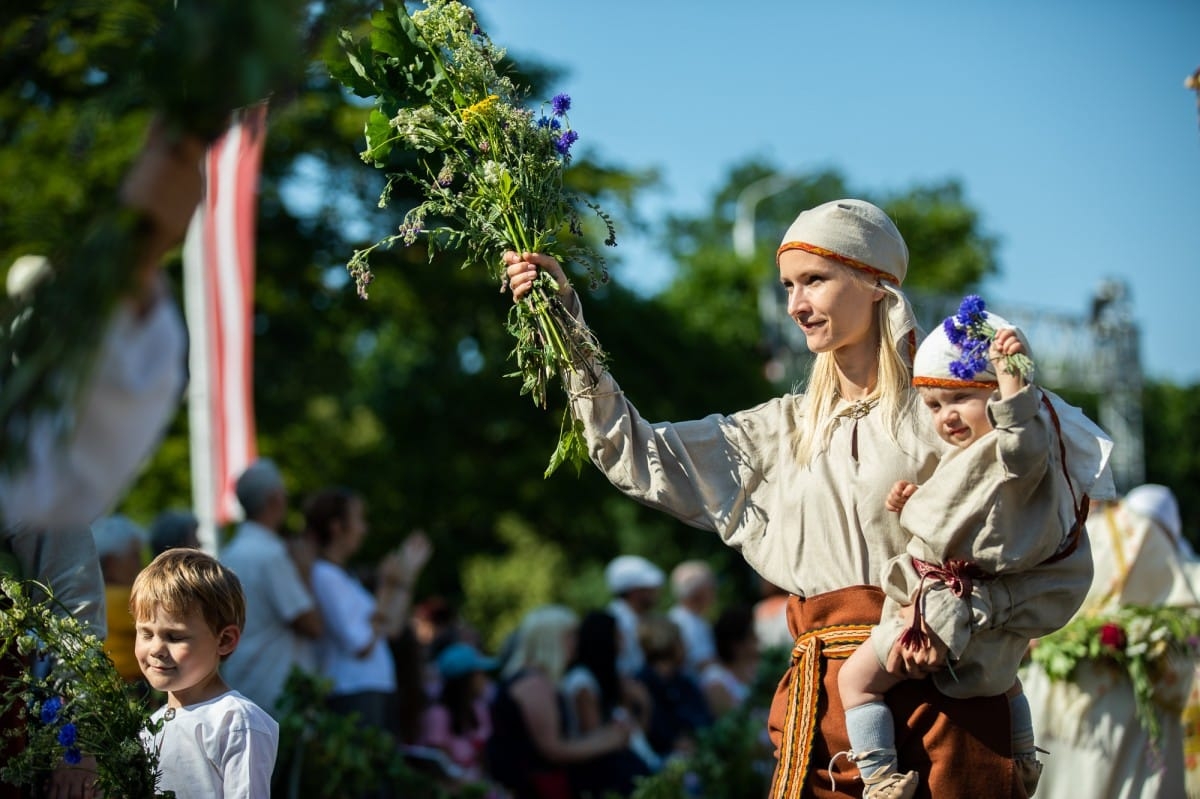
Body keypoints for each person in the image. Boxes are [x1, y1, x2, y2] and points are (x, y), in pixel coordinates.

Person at [503, 198, 1113, 797]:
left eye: (814, 280)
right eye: (789, 286)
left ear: (876, 284)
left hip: (944, 693)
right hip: (826, 709)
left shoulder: (949, 410)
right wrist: (566, 331)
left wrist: (967, 610)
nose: (796, 304)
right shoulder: (780, 429)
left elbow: (1034, 515)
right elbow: (636, 453)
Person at [836, 309, 1106, 797]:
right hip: (983, 609)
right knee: (1007, 682)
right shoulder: (976, 457)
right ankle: (1024, 758)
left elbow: (1019, 445)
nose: (946, 416)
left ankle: (878, 780)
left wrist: (1013, 384)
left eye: (961, 397)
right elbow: (966, 519)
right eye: (934, 404)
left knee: (856, 682)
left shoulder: (1017, 450)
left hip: (946, 606)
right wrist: (912, 502)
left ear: (998, 398)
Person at [1022, 484, 1199, 799]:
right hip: (1078, 708)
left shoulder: (1129, 532)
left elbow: (1179, 626)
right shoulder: (1037, 527)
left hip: (1096, 707)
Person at [131, 547, 279, 797]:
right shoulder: (150, 727)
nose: (156, 649)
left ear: (224, 641)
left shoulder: (236, 721)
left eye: (174, 637)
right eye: (146, 633)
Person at [304, 485, 431, 735]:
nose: (364, 529)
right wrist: (387, 587)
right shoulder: (325, 576)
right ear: (337, 527)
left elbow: (390, 629)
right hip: (353, 691)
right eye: (359, 520)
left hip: (369, 689)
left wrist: (405, 579)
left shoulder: (343, 578)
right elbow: (361, 643)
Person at [486, 604, 634, 799]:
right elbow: (553, 749)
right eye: (570, 636)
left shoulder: (535, 679)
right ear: (552, 640)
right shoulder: (533, 683)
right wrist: (609, 741)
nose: (576, 643)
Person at [218, 458, 323, 716]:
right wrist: (305, 571)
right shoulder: (272, 555)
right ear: (275, 499)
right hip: (278, 691)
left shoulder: (228, 553)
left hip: (241, 682)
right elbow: (311, 624)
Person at [634, 613, 713, 762]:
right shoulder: (641, 686)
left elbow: (705, 720)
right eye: (681, 641)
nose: (686, 646)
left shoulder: (683, 682)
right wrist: (673, 743)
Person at [418, 641, 498, 784]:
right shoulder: (438, 714)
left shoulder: (478, 710)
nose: (484, 679)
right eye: (479, 673)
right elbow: (442, 768)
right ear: (466, 679)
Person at [91, 514, 150, 687]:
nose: (141, 564)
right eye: (134, 556)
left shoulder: (96, 594)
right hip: (128, 686)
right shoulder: (122, 599)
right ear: (111, 562)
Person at [604, 555, 664, 679]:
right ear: (634, 591)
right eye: (649, 588)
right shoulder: (615, 622)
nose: (656, 592)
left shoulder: (640, 618)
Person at [701, 603, 760, 717]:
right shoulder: (716, 680)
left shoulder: (755, 672)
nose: (757, 640)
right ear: (736, 645)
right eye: (752, 637)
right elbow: (732, 725)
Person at [666, 560, 718, 678]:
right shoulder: (682, 621)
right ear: (698, 592)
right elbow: (701, 662)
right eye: (710, 587)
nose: (714, 592)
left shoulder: (696, 619)